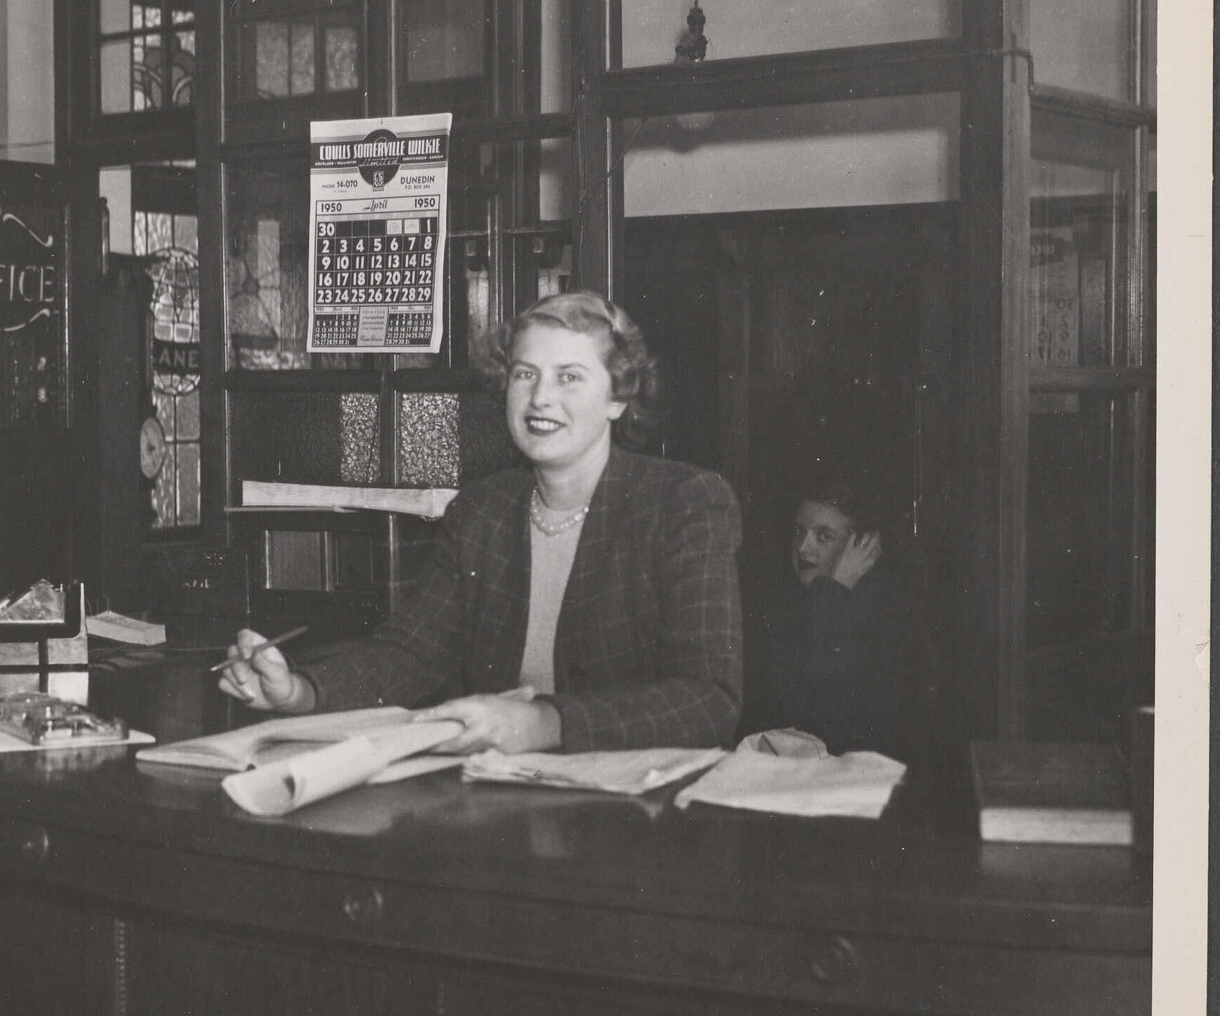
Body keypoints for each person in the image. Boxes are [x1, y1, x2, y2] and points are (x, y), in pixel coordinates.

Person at [218, 290, 742, 755]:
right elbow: (411, 653)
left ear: (618, 398)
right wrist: (299, 691)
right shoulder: (481, 511)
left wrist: (544, 723)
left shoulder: (682, 503)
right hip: (502, 793)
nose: (540, 398)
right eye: (524, 373)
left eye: (570, 377)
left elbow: (708, 699)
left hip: (638, 810)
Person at [740, 477, 907, 756]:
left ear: (862, 546)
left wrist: (832, 594)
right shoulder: (782, 605)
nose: (803, 548)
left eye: (823, 537)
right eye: (798, 532)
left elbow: (825, 721)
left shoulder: (887, 616)